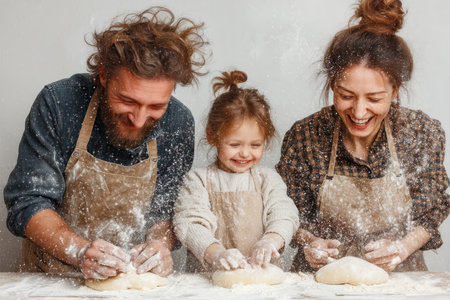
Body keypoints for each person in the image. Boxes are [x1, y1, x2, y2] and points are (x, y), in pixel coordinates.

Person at [3, 7, 207, 279]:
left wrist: (160, 244)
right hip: (50, 279)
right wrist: (79, 252)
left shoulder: (178, 122)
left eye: (156, 106)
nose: (138, 119)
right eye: (128, 101)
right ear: (103, 74)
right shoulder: (60, 104)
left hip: (132, 280)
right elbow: (28, 202)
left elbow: (166, 212)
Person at [276, 0, 450, 273]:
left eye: (374, 98)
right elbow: (288, 212)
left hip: (401, 282)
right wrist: (310, 242)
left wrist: (402, 248)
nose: (358, 112)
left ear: (394, 91)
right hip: (319, 281)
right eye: (345, 96)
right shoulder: (305, 137)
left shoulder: (420, 133)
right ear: (333, 85)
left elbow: (432, 210)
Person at [173, 70, 299, 272]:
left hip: (263, 283)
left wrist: (270, 242)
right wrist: (217, 254)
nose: (245, 153)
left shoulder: (268, 180)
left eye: (255, 145)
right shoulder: (198, 181)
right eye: (235, 144)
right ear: (213, 136)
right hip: (207, 284)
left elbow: (285, 216)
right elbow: (189, 225)